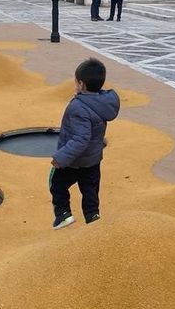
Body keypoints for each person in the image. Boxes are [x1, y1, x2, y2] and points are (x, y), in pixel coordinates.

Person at [49, 58, 120, 230]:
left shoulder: (79, 107)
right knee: (90, 192)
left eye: (76, 82)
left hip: (74, 162)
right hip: (93, 161)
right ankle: (93, 218)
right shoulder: (102, 103)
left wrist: (61, 157)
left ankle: (63, 214)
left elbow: (81, 139)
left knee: (56, 184)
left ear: (81, 84)